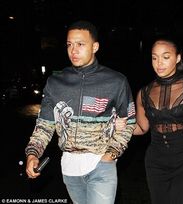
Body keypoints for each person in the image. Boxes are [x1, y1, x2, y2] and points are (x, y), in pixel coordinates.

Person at [25, 20, 136, 204]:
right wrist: (32, 153)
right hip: (69, 168)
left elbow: (129, 121)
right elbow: (44, 125)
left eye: (80, 44)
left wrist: (110, 155)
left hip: (102, 165)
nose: (73, 50)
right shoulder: (55, 82)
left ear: (95, 47)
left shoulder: (116, 81)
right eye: (69, 44)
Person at [116, 35, 183, 204]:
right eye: (154, 58)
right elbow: (142, 128)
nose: (159, 63)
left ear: (178, 58)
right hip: (156, 163)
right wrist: (123, 125)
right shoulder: (144, 92)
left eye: (166, 57)